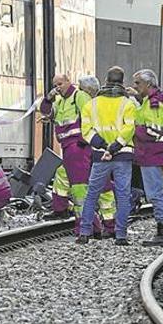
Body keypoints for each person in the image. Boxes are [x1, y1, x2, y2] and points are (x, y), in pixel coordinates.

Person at [76, 66, 137, 245]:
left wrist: (104, 146)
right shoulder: (128, 104)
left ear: (106, 80)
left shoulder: (91, 104)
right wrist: (115, 146)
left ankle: (84, 233)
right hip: (122, 155)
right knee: (123, 195)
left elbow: (86, 131)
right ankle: (121, 236)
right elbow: (129, 128)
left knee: (92, 194)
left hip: (100, 155)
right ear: (122, 82)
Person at [131, 69, 163, 246]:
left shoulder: (154, 104)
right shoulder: (149, 101)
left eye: (138, 83)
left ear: (148, 84)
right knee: (156, 192)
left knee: (155, 193)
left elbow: (155, 131)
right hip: (149, 153)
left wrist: (133, 130)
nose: (135, 87)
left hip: (151, 153)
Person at [39, 74, 92, 221]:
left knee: (78, 184)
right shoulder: (60, 100)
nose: (57, 88)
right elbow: (46, 111)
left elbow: (90, 117)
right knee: (61, 176)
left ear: (69, 81)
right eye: (55, 85)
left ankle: (85, 221)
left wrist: (83, 140)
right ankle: (60, 209)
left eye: (60, 84)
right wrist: (48, 99)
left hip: (77, 146)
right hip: (67, 146)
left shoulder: (79, 96)